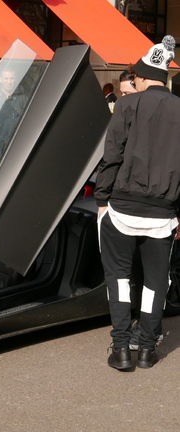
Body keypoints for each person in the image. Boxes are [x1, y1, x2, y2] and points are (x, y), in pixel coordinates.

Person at [94, 35, 180, 370]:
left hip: (122, 207)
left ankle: (121, 351)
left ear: (142, 77)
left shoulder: (128, 105)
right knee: (155, 282)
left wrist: (102, 198)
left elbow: (111, 158)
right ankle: (146, 350)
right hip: (163, 212)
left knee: (118, 277)